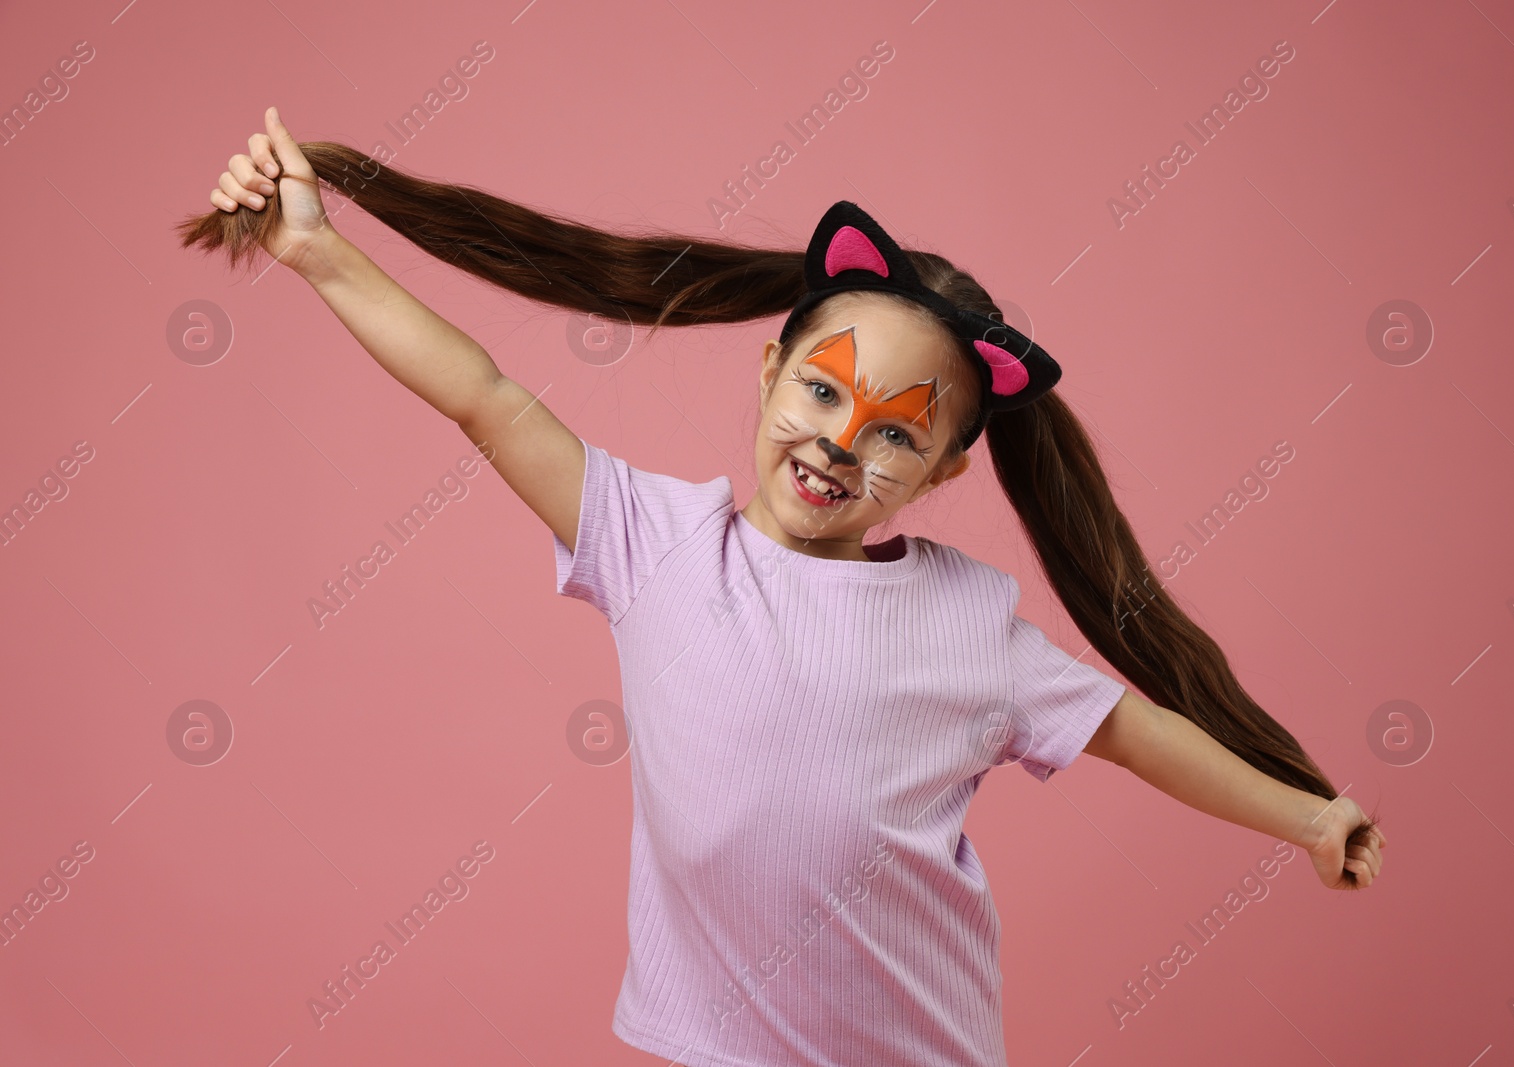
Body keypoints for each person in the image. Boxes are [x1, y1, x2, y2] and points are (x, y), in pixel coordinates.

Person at [177, 107, 1386, 1067]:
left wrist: (1311, 816)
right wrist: (316, 251)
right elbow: (481, 392)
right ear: (768, 371)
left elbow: (1139, 732)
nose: (837, 442)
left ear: (945, 468)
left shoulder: (967, 619)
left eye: (895, 435)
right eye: (821, 391)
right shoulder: (654, 538)